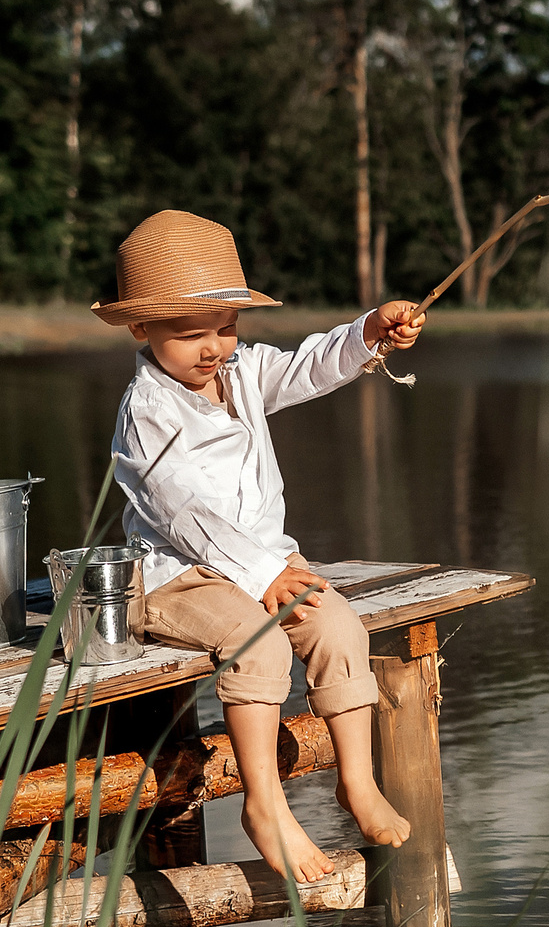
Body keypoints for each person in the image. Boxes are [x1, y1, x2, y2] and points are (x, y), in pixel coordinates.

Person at [94, 210, 426, 883]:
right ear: (142, 329)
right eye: (191, 334)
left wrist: (369, 331)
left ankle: (355, 783)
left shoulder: (241, 373)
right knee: (261, 639)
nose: (213, 347)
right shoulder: (147, 409)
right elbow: (177, 506)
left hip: (266, 566)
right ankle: (264, 803)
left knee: (337, 623)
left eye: (226, 327)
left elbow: (308, 365)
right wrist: (262, 571)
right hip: (179, 578)